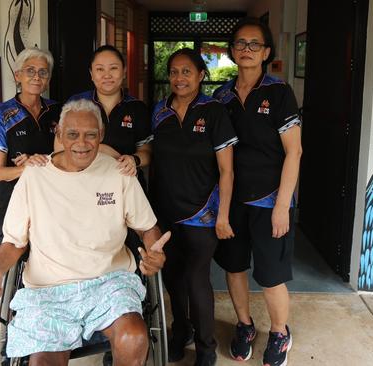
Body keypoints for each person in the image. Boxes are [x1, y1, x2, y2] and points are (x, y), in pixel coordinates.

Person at [0, 99, 170, 366]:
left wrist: (155, 252)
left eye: (90, 135)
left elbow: (147, 227)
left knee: (134, 338)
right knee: (42, 363)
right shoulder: (34, 176)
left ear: (101, 136)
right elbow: (14, 242)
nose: (82, 143)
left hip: (108, 282)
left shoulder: (119, 173)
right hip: (49, 289)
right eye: (72, 134)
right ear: (59, 135)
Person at [213, 17, 302, 366]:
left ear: (266, 52)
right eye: (240, 44)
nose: (246, 50)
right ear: (232, 51)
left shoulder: (279, 92)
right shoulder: (222, 96)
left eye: (254, 45)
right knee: (234, 268)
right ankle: (245, 325)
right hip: (232, 199)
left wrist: (282, 206)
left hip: (269, 200)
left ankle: (280, 331)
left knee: (270, 275)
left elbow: (294, 152)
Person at [151, 48, 238, 366]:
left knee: (197, 280)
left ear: (201, 75)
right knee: (172, 277)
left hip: (203, 212)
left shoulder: (214, 111)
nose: (179, 78)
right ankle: (180, 333)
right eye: (174, 71)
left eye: (186, 71)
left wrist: (224, 214)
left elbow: (227, 170)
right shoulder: (159, 111)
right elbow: (150, 157)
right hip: (165, 210)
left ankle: (206, 348)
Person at [0, 47, 61, 246]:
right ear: (18, 76)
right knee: (12, 256)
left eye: (43, 72)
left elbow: (67, 156)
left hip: (51, 196)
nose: (36, 77)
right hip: (15, 199)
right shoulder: (2, 114)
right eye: (30, 71)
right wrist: (26, 167)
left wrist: (41, 161)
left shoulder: (58, 111)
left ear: (48, 79)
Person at [67, 45, 152, 185]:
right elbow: (61, 146)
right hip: (85, 184)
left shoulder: (137, 108)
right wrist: (104, 151)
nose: (107, 75)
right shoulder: (76, 104)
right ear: (91, 74)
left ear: (124, 72)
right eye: (100, 69)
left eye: (113, 68)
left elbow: (146, 151)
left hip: (125, 183)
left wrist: (134, 159)